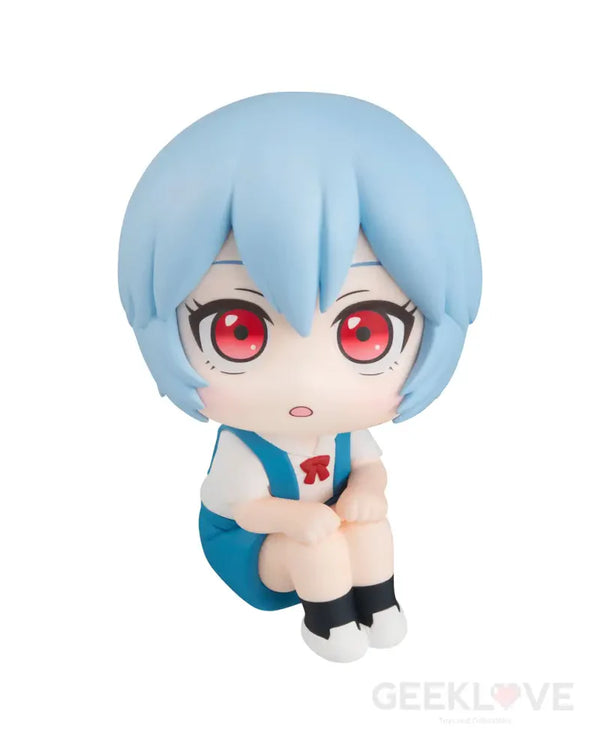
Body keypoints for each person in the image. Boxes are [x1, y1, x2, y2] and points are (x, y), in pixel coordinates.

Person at [118, 92, 481, 662]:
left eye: (366, 332)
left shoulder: (345, 435)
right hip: (251, 546)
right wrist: (300, 517)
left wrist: (367, 492)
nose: (307, 383)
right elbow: (243, 508)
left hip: (324, 523)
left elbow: (370, 469)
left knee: (368, 531)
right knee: (320, 549)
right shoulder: (244, 448)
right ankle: (328, 624)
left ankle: (378, 605)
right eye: (236, 331)